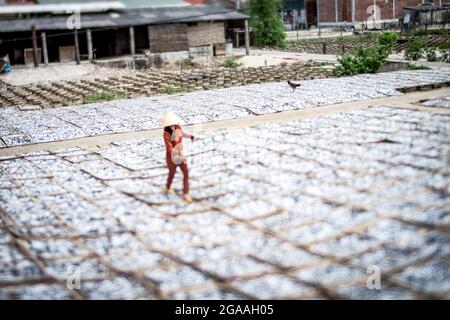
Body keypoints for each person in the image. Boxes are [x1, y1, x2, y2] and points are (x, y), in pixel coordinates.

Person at [160, 112, 195, 203]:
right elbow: (169, 148)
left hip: (181, 156)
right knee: (172, 173)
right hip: (172, 157)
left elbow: (183, 134)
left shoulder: (178, 127)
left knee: (186, 172)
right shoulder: (166, 133)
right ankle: (167, 187)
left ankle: (186, 193)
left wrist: (191, 136)